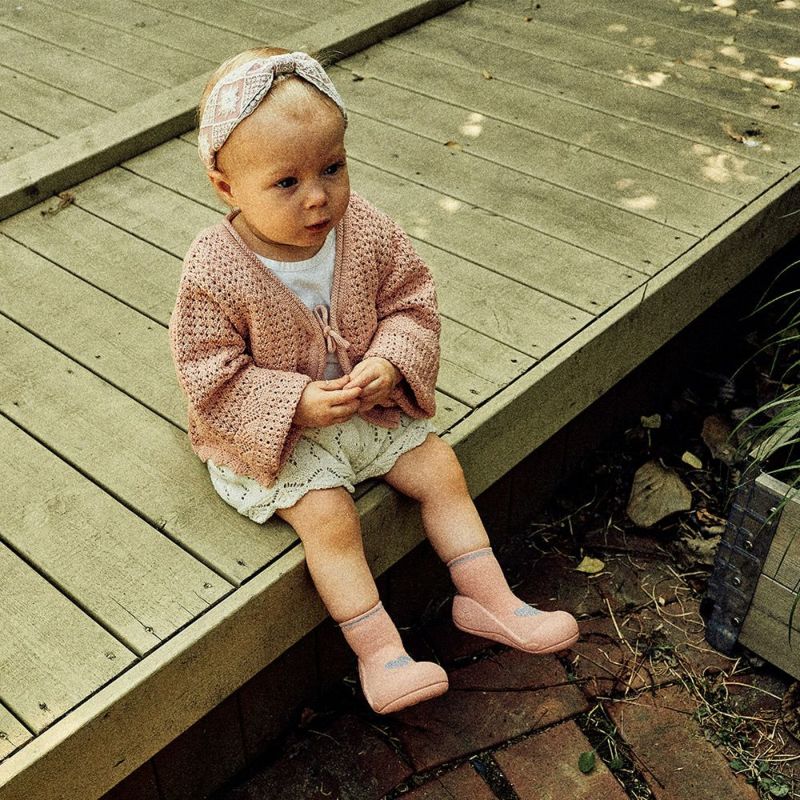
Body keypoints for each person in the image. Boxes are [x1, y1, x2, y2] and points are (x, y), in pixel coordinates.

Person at [169, 47, 579, 715]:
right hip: (283, 436)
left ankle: (489, 598)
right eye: (286, 182)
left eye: (332, 168)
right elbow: (207, 372)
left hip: (369, 406)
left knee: (440, 467)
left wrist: (391, 359)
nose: (318, 196)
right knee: (330, 516)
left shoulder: (364, 229)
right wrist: (295, 402)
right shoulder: (215, 269)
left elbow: (411, 300)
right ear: (226, 187)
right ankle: (380, 652)